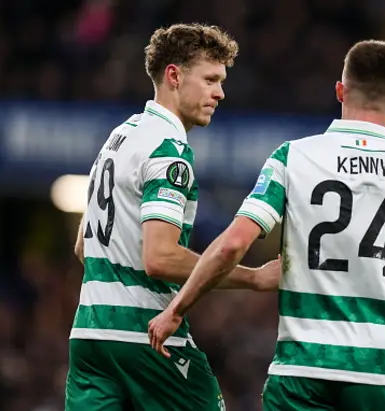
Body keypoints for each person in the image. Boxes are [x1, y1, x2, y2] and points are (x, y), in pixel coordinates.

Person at [148, 39, 385, 411]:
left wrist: (177, 308)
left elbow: (234, 244)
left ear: (340, 91)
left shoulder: (293, 157)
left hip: (302, 370)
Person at [65, 23, 281, 411]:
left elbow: (83, 245)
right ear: (174, 76)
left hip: (89, 333)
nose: (220, 92)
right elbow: (160, 258)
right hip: (143, 333)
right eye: (211, 79)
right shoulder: (169, 149)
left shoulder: (118, 137)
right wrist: (253, 277)